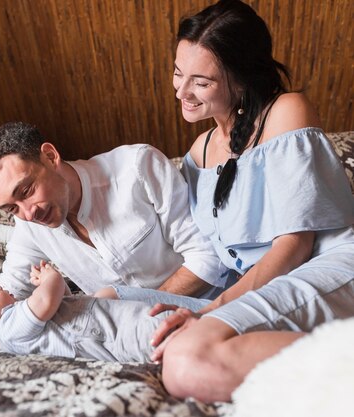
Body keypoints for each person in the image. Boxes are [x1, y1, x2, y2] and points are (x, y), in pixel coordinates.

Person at [145, 0, 354, 402]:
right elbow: (203, 254)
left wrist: (214, 310)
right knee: (116, 306)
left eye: (200, 81)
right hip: (267, 286)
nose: (182, 91)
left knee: (190, 357)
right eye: (177, 72)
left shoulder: (285, 112)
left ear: (240, 80)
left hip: (327, 266)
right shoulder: (199, 152)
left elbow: (295, 245)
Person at [0, 122, 230, 301]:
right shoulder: (29, 225)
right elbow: (9, 291)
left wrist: (147, 309)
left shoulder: (138, 168)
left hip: (206, 305)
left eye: (27, 191)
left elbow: (209, 256)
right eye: (12, 208)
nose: (28, 214)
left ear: (50, 157)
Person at [0, 261, 207, 362]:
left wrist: (55, 286)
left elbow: (60, 301)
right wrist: (50, 277)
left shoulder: (16, 329)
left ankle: (215, 322)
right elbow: (45, 302)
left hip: (107, 323)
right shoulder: (9, 328)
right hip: (115, 333)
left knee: (167, 322)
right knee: (165, 329)